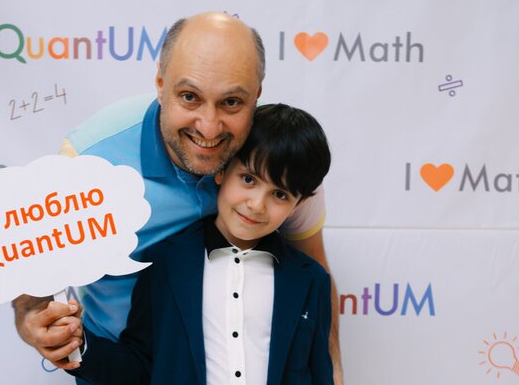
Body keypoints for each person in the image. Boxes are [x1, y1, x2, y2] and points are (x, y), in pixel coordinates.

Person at [11, 12, 343, 383]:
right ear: (160, 84)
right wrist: (34, 318)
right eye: (189, 97)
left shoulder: (281, 161)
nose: (209, 127)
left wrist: (333, 370)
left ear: (256, 96)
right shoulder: (87, 159)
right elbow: (33, 272)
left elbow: (312, 278)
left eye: (232, 102)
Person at [66, 103, 333, 385]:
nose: (256, 205)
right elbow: (141, 366)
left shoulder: (311, 281)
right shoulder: (165, 262)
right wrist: (80, 346)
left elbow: (319, 374)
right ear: (221, 171)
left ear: (297, 205)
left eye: (279, 195)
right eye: (248, 179)